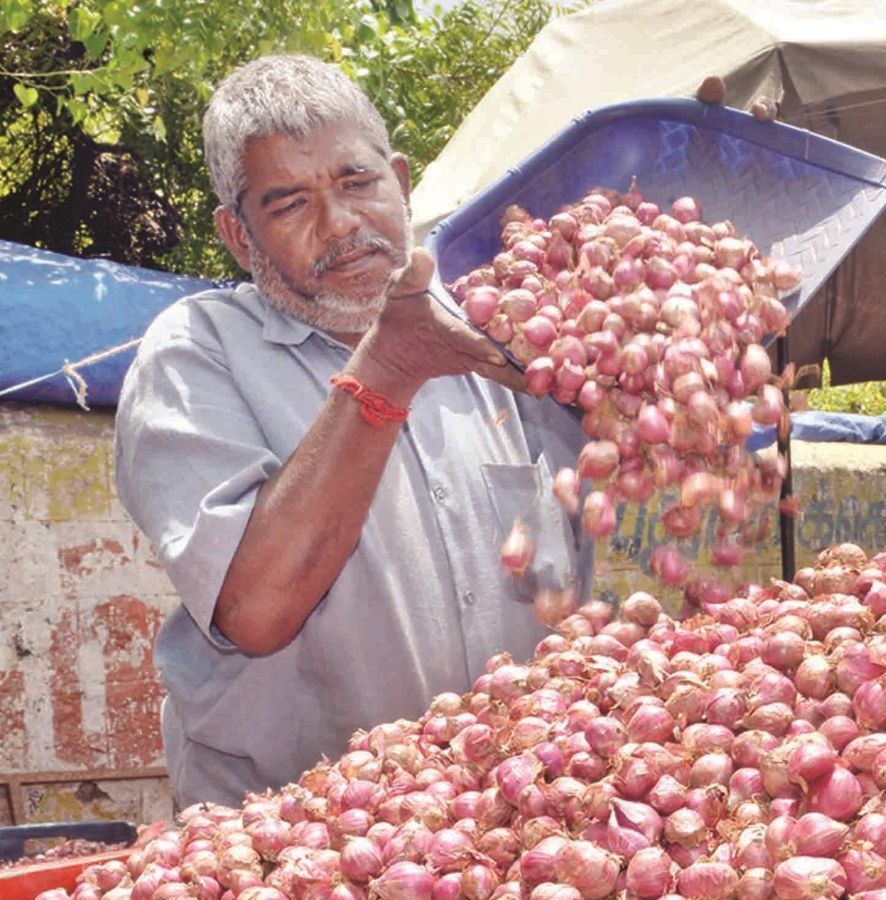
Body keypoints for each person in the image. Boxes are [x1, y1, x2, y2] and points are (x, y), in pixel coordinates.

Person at [114, 55, 591, 807]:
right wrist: (389, 368)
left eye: (358, 183)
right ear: (239, 238)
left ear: (401, 181)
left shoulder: (504, 333)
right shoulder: (196, 354)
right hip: (294, 848)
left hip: (509, 823)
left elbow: (656, 458)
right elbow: (257, 610)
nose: (340, 224)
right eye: (289, 204)